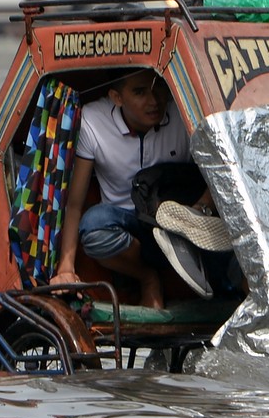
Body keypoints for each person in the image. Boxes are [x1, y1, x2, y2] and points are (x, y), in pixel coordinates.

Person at [50, 69, 212, 308]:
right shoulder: (93, 122)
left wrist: (199, 210)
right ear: (117, 97)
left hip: (179, 225)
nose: (154, 101)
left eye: (159, 89)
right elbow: (74, 203)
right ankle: (147, 277)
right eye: (140, 92)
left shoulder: (183, 115)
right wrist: (66, 267)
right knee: (94, 225)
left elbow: (218, 176)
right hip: (125, 227)